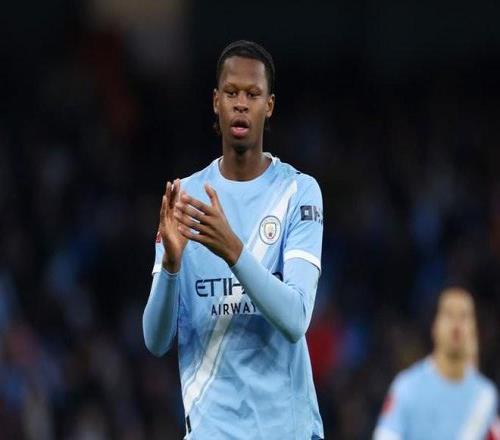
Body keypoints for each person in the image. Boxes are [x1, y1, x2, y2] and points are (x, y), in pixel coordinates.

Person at [142, 40, 324, 439]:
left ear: (269, 106)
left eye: (253, 94)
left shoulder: (298, 192)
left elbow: (296, 318)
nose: (241, 104)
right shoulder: (185, 199)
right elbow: (155, 341)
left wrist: (234, 251)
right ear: (216, 102)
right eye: (231, 93)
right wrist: (170, 266)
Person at [373, 287, 498, 440]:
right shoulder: (407, 387)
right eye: (449, 315)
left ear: (474, 329)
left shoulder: (485, 396)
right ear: (435, 325)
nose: (456, 325)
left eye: (464, 316)